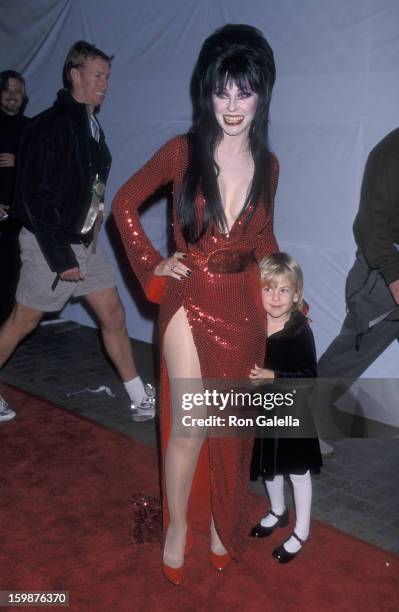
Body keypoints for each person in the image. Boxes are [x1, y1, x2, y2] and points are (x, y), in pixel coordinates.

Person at [112, 24, 278, 584]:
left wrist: (287, 300)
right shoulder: (182, 152)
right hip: (190, 295)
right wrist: (150, 262)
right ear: (206, 92)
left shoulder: (269, 165)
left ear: (262, 94)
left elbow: (264, 242)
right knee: (190, 426)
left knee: (228, 428)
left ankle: (218, 524)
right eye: (221, 91)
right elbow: (124, 204)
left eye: (244, 92)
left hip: (243, 305)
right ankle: (177, 526)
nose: (231, 106)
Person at [0, 42, 155, 424]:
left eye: (107, 77)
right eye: (98, 76)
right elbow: (33, 198)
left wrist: (93, 232)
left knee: (113, 314)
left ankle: (138, 396)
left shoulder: (91, 125)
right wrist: (61, 256)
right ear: (76, 75)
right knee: (24, 320)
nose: (105, 84)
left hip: (81, 245)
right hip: (49, 245)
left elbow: (91, 190)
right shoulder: (49, 125)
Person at [317, 74, 399, 431]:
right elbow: (369, 223)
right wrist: (397, 278)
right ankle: (292, 431)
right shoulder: (398, 148)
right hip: (387, 278)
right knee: (347, 358)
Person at [249, 253, 322, 563]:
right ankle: (277, 510)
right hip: (264, 410)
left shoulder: (299, 330)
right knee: (270, 465)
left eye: (283, 290)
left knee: (297, 471)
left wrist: (273, 376)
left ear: (297, 294)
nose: (276, 297)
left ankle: (302, 529)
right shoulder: (254, 323)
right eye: (268, 288)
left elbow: (310, 378)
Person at [0, 70, 30, 422]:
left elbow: (39, 171)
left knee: (12, 291)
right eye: (7, 93)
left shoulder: (29, 128)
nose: (12, 98)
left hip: (16, 222)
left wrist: (18, 162)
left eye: (18, 94)